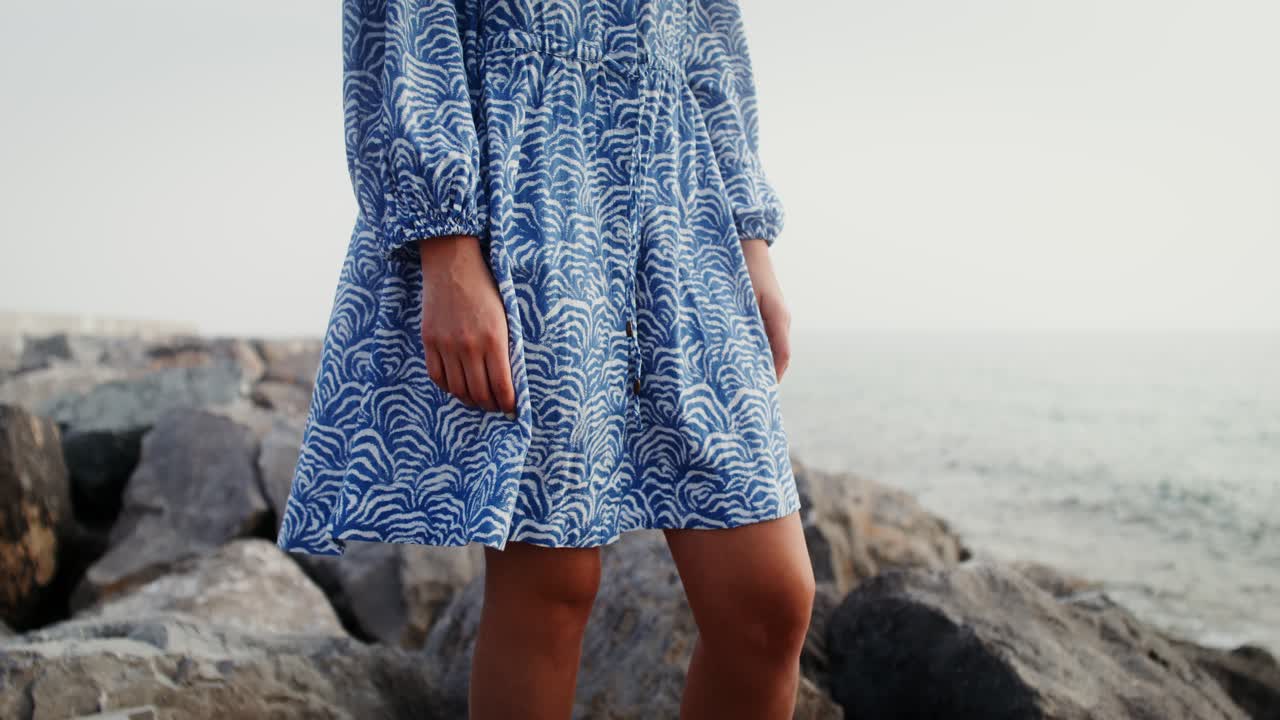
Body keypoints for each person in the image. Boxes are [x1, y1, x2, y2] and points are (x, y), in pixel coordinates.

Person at [277, 0, 814, 717]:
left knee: (769, 602)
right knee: (550, 589)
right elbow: (403, 28)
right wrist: (448, 250)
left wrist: (753, 243)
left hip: (688, 205)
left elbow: (713, 44)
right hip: (529, 191)